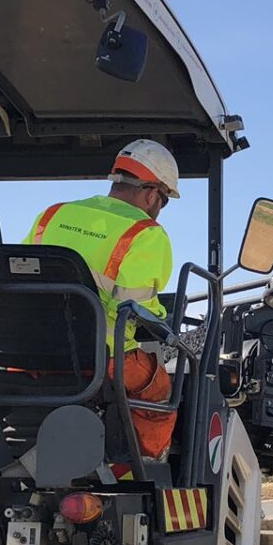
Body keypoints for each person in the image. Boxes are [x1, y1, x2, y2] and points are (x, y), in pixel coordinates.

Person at [26, 139, 182, 458]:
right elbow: (135, 308)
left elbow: (21, 274)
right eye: (163, 201)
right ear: (152, 193)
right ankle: (144, 465)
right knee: (159, 388)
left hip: (29, 354)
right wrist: (164, 326)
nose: (159, 210)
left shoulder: (51, 215)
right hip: (102, 357)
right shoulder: (145, 234)